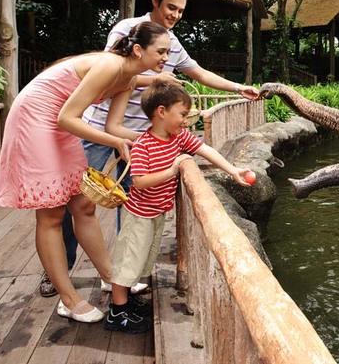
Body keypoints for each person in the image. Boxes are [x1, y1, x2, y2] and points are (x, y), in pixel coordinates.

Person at [40, 0, 261, 297]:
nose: (176, 15)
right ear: (155, 2)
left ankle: (123, 275)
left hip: (139, 136)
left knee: (132, 206)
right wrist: (155, 78)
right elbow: (112, 72)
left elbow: (199, 73)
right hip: (100, 128)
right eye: (171, 7)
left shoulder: (172, 43)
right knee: (75, 201)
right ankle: (58, 268)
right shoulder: (128, 30)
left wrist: (240, 88)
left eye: (181, 11)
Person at [0, 21, 171, 322]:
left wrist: (153, 140)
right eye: (161, 52)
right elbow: (67, 117)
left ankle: (110, 276)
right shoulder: (109, 65)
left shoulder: (128, 78)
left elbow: (113, 126)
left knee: (83, 204)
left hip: (61, 121)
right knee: (51, 213)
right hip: (36, 117)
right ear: (139, 50)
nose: (166, 59)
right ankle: (68, 299)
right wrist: (116, 141)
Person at [103, 79, 253, 333]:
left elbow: (205, 149)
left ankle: (125, 302)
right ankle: (117, 312)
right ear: (161, 112)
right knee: (128, 260)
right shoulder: (143, 145)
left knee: (142, 260)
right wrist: (173, 169)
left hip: (156, 213)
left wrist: (233, 170)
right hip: (139, 215)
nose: (186, 121)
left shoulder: (178, 136)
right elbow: (139, 182)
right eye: (182, 114)